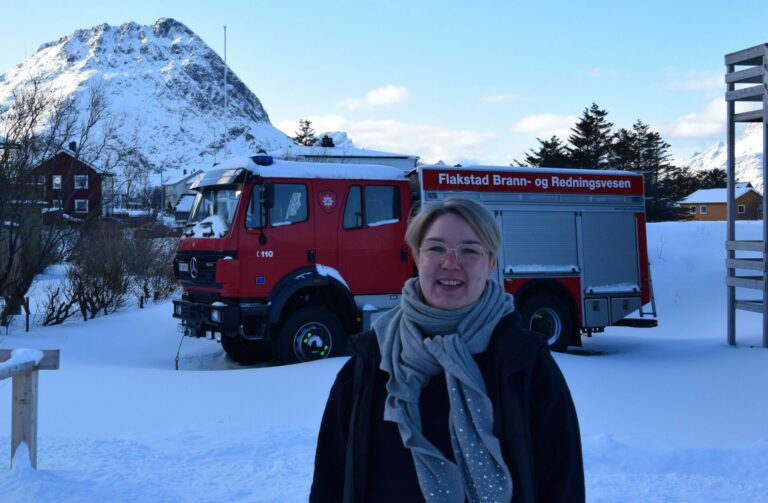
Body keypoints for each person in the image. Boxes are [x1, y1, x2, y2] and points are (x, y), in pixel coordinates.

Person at [310, 197, 584, 503]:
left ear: (490, 262)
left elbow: (563, 483)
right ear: (417, 256)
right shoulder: (371, 359)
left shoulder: (525, 362)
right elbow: (329, 482)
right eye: (436, 248)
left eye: (469, 250)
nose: (450, 263)